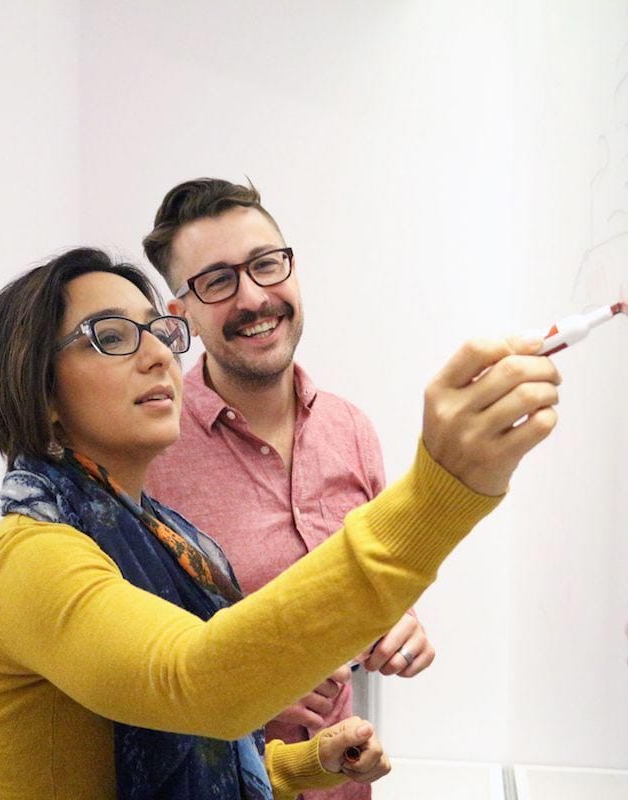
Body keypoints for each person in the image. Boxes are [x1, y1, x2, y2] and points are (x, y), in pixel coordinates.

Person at [0, 247, 560, 799]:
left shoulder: (166, 539)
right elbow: (196, 685)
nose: (159, 354)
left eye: (159, 332)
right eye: (112, 336)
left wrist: (302, 765)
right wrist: (438, 491)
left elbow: (191, 753)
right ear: (40, 389)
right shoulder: (26, 556)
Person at [142, 177, 430, 798]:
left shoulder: (351, 429)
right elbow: (132, 662)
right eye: (217, 281)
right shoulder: (148, 455)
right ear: (180, 314)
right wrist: (253, 683)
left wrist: (397, 622)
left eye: (266, 265)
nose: (253, 297)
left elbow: (374, 583)